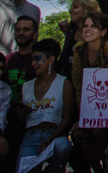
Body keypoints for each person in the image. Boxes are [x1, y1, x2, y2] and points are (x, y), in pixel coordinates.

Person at [69, 11, 108, 172]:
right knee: (79, 133)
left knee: (99, 132)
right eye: (85, 26)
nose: (88, 29)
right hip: (88, 103)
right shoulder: (79, 50)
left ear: (103, 31)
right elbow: (78, 85)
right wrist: (83, 116)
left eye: (93, 26)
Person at [17, 39, 74, 173]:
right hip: (30, 136)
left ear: (51, 59)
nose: (33, 64)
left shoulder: (64, 84)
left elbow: (67, 118)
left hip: (54, 135)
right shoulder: (26, 86)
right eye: (33, 60)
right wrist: (22, 113)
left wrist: (50, 139)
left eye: (38, 59)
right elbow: (21, 120)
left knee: (63, 145)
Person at [56, 0, 100, 76]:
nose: (70, 10)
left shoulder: (97, 35)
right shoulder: (71, 33)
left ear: (87, 10)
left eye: (75, 7)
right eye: (71, 7)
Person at [5, 15, 39, 90]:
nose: (21, 33)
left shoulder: (40, 60)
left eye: (26, 29)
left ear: (35, 34)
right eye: (17, 30)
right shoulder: (8, 59)